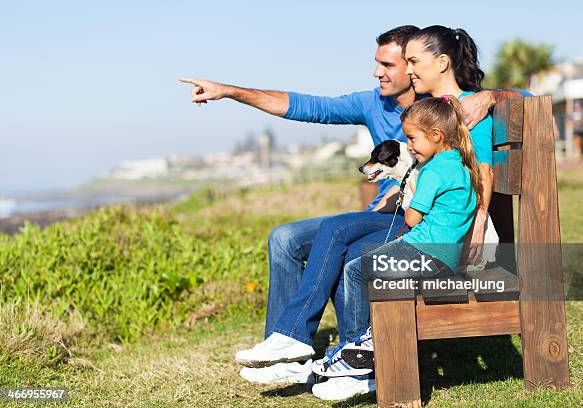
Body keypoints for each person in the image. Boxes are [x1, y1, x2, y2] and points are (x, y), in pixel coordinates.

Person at [178, 26, 521, 387]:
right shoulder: (381, 103)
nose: (379, 72)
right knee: (286, 237)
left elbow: (484, 157)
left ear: (420, 65)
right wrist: (229, 91)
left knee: (344, 241)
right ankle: (290, 346)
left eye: (398, 63)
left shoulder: (456, 111)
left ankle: (348, 356)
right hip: (396, 217)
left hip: (420, 227)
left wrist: (493, 95)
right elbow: (309, 107)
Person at [310, 25, 497, 401]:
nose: (407, 70)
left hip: (450, 244)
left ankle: (363, 355)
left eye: (413, 61)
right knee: (350, 247)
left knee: (359, 259)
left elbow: (481, 174)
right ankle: (361, 352)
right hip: (434, 236)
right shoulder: (439, 115)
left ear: (442, 63)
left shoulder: (466, 114)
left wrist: (476, 229)